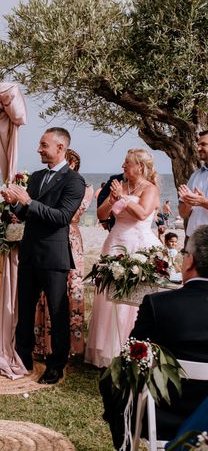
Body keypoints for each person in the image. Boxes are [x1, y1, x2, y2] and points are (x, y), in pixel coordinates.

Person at [101, 225, 208, 447]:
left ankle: (125, 442)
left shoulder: (159, 304)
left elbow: (129, 357)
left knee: (110, 381)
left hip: (162, 417)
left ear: (190, 261)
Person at [1, 127, 85, 384]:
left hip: (54, 256)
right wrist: (13, 202)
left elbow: (61, 218)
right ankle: (22, 356)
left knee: (58, 312)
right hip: (29, 252)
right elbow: (27, 215)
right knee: (24, 309)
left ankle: (56, 364)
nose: (39, 149)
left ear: (60, 148)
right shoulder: (36, 177)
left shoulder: (74, 182)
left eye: (43, 145)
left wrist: (27, 202)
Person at [86, 148, 161, 368]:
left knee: (133, 299)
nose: (123, 166)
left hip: (137, 246)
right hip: (115, 243)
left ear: (140, 166)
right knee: (108, 298)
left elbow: (143, 213)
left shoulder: (150, 188)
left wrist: (123, 199)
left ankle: (133, 349)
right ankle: (107, 351)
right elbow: (101, 215)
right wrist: (111, 199)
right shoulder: (120, 185)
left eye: (127, 163)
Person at [33, 149, 93, 358]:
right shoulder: (46, 180)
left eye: (71, 162)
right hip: (50, 238)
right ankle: (43, 343)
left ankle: (68, 346)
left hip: (71, 238)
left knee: (69, 288)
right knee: (45, 292)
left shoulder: (83, 187)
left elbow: (70, 213)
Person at [179, 131, 208, 240]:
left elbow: (202, 202)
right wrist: (188, 204)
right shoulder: (195, 175)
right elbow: (183, 213)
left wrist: (203, 202)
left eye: (203, 144)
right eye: (198, 144)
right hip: (193, 239)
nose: (198, 148)